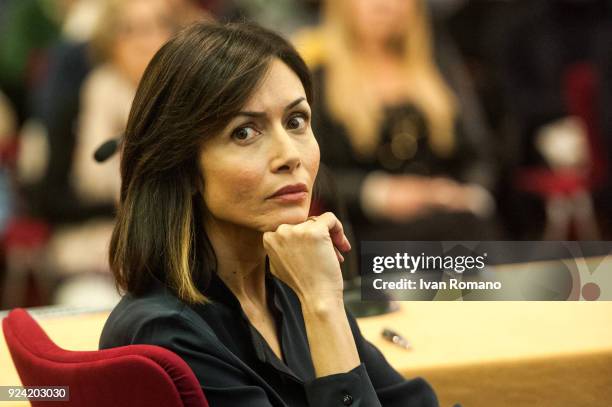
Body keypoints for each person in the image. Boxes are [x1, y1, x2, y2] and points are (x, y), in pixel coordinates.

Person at [99, 22, 439, 406]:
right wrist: (322, 304)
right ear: (184, 167)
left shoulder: (290, 291)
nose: (289, 155)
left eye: (296, 122)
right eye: (245, 132)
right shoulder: (165, 338)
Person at [294, 0, 498, 242]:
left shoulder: (439, 67)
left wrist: (463, 192)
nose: (384, 5)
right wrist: (378, 194)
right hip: (365, 234)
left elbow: (481, 154)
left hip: (453, 221)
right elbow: (310, 171)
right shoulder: (319, 79)